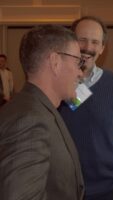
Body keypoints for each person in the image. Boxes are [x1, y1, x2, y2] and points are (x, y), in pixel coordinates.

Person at [58, 16, 113, 200]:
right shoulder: (54, 83)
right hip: (62, 189)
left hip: (108, 189)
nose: (88, 47)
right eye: (81, 39)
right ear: (70, 42)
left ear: (102, 48)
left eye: (95, 42)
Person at [0, 25, 85, 200]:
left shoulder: (37, 108)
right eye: (78, 62)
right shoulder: (28, 120)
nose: (80, 73)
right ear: (55, 63)